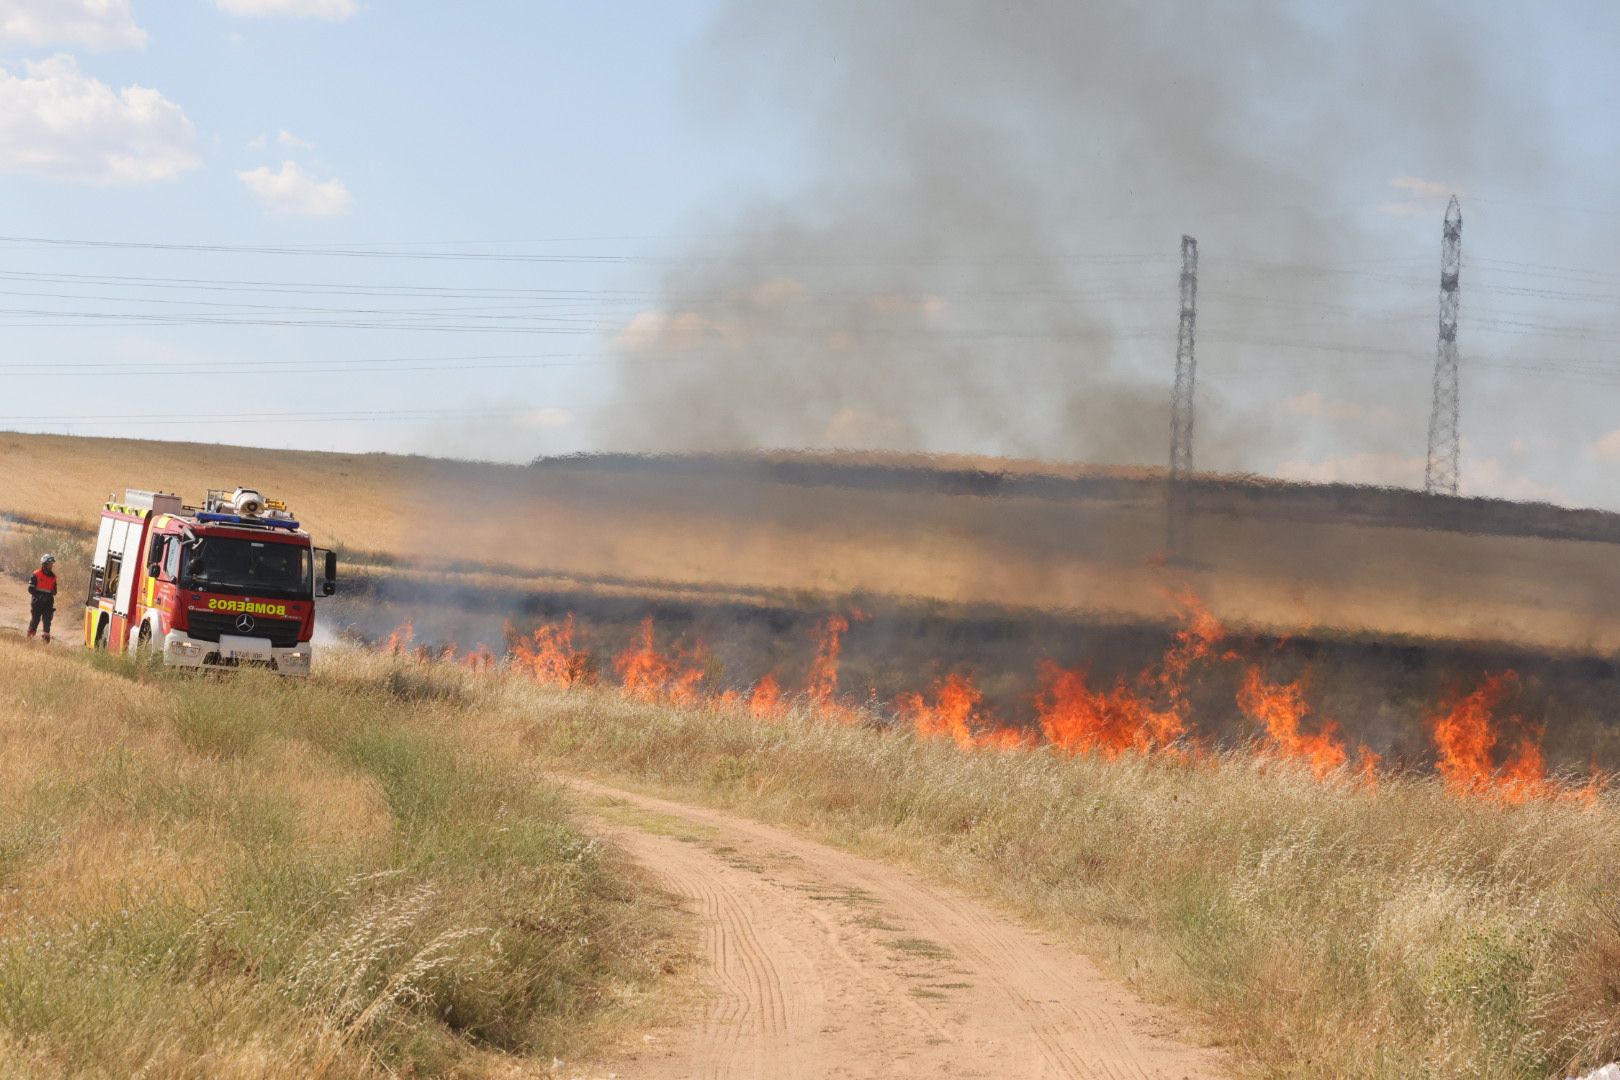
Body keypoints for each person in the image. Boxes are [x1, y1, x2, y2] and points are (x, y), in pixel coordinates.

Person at [27, 553, 57, 643]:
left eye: (52, 564)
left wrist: (52, 593)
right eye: (50, 564)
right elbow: (30, 589)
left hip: (48, 603)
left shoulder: (53, 577)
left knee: (47, 621)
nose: (51, 566)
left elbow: (55, 591)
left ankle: (45, 642)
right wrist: (39, 596)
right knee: (35, 619)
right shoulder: (36, 574)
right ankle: (29, 639)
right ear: (44, 564)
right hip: (37, 602)